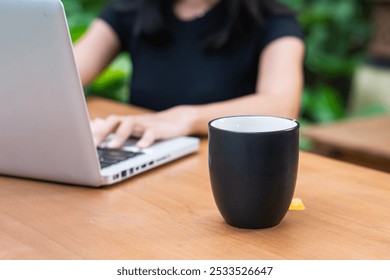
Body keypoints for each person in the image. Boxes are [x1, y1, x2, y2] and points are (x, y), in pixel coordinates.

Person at [74, 0, 305, 148]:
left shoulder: (274, 20)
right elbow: (65, 74)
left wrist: (186, 118)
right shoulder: (130, 9)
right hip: (141, 152)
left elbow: (282, 106)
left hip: (225, 168)